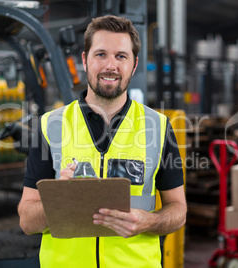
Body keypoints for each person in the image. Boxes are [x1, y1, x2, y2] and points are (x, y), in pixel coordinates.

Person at [18, 15, 187, 268]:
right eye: (101, 55)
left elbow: (178, 210)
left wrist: (148, 221)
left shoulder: (158, 127)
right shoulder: (50, 126)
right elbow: (27, 222)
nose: (111, 65)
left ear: (134, 64)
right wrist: (56, 203)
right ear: (85, 60)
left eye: (121, 56)